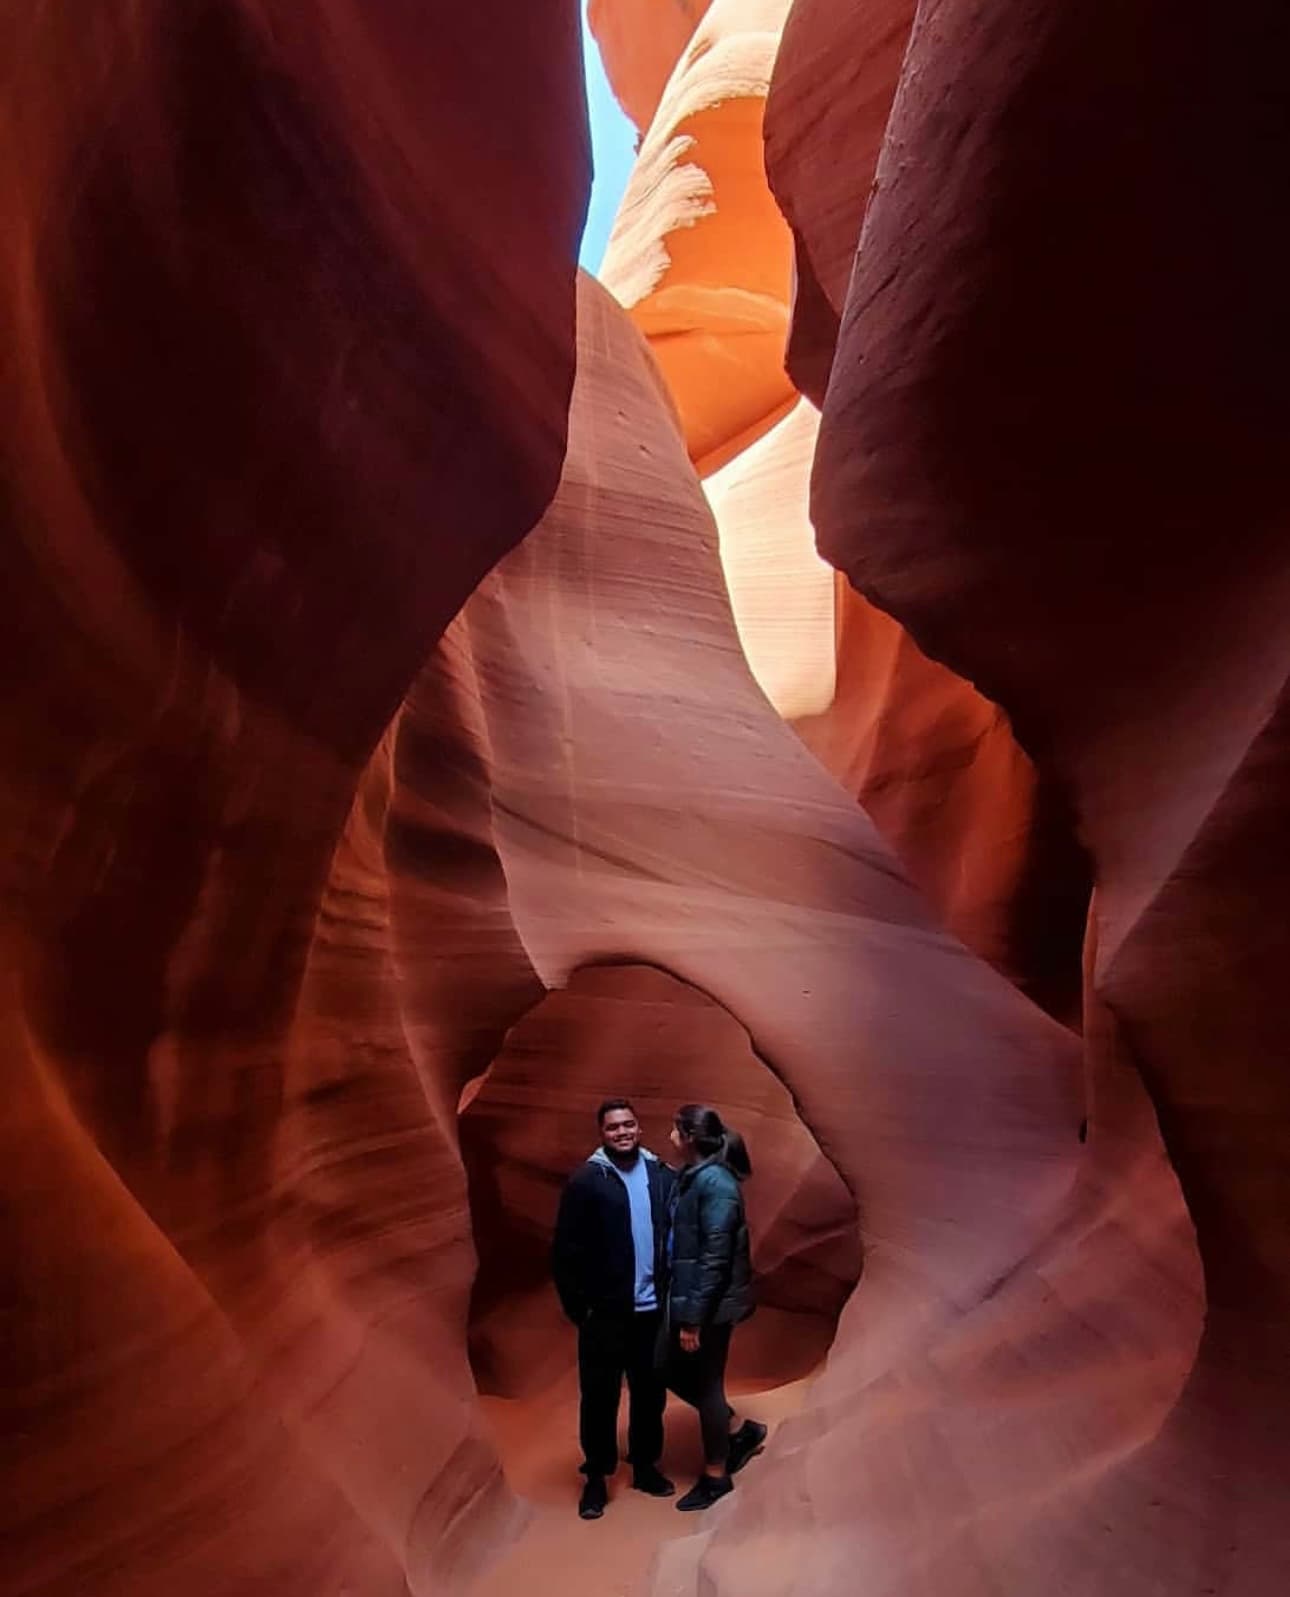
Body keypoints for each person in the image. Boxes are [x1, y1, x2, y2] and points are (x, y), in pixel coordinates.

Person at [551, 1098, 676, 1520]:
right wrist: (580, 1311)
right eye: (613, 1128)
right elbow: (565, 1252)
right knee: (600, 1399)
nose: (622, 1132)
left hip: (651, 1311)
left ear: (639, 1129)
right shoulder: (587, 1181)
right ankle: (596, 1479)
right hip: (605, 1315)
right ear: (602, 1134)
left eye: (628, 1125)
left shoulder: (661, 1176)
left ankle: (644, 1466)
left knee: (649, 1394)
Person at [666, 1103, 767, 1511]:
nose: (669, 1136)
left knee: (707, 1385)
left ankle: (716, 1475)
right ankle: (739, 1432)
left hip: (709, 1307)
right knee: (666, 1367)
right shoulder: (697, 1177)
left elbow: (715, 1257)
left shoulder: (717, 1184)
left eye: (675, 1130)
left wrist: (693, 1318)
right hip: (697, 1298)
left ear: (689, 1137)